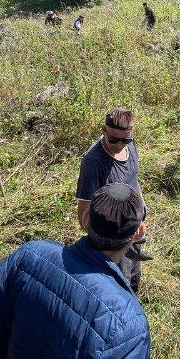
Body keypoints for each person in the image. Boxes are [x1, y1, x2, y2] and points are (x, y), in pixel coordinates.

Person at [0, 183, 151, 359]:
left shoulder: (31, 255)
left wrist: (1, 357)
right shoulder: (129, 322)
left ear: (86, 218)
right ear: (138, 232)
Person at [76, 108, 150, 293]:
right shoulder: (93, 163)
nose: (119, 145)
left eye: (126, 139)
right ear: (103, 130)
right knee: (119, 283)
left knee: (134, 274)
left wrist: (141, 208)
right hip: (114, 239)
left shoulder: (130, 145)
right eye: (113, 139)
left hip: (133, 228)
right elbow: (83, 215)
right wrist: (114, 244)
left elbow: (133, 178)